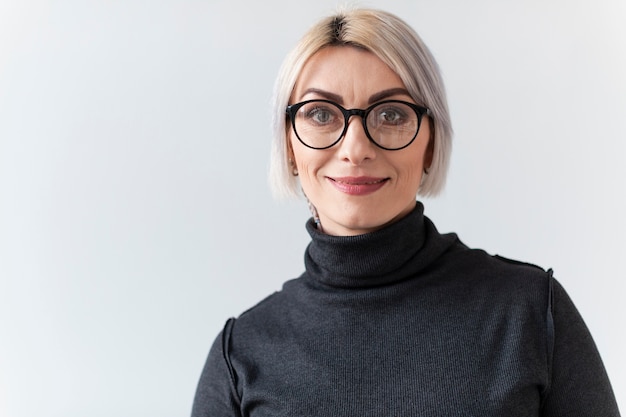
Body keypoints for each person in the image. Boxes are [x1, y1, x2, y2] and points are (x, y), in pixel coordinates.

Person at [191, 8, 620, 416]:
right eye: (320, 114)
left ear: (430, 143)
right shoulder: (241, 353)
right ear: (288, 146)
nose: (355, 149)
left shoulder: (529, 311)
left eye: (391, 114)